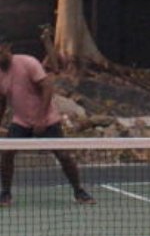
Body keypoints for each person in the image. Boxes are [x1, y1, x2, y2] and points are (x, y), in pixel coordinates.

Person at [0, 41, 94, 206]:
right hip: (21, 121)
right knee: (7, 154)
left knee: (63, 155)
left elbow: (47, 88)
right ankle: (6, 194)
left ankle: (80, 191)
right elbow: (1, 101)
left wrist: (40, 118)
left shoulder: (28, 62)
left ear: (7, 48)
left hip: (47, 118)